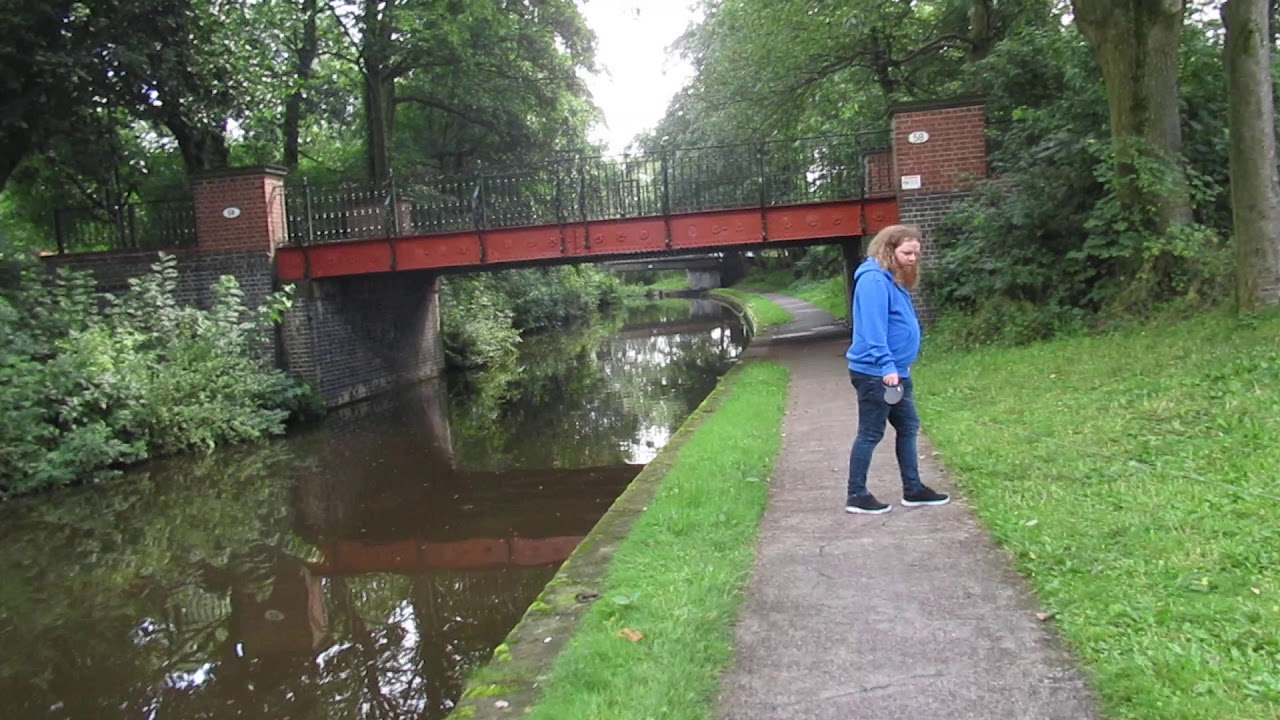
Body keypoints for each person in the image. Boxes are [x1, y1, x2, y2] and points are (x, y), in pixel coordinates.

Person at [844, 224, 950, 514]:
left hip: (896, 371)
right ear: (888, 249)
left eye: (916, 252)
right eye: (907, 252)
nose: (913, 258)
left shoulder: (891, 279)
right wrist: (886, 365)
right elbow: (873, 329)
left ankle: (913, 489)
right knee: (870, 432)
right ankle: (856, 495)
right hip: (876, 374)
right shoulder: (873, 281)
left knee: (908, 426)